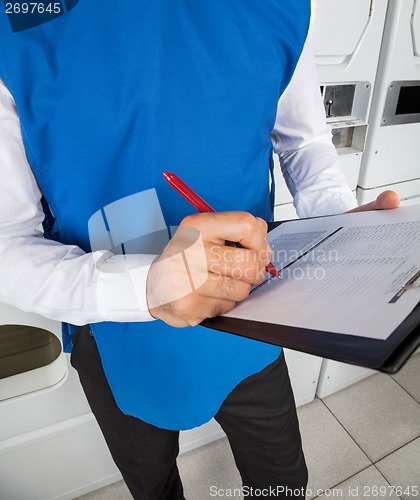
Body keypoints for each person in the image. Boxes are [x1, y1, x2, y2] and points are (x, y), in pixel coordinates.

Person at [0, 2, 399, 499]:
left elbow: (304, 144)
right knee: (153, 487)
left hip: (252, 307)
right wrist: (146, 288)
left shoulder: (283, 6)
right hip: (116, 327)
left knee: (283, 483)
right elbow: (8, 241)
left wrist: (339, 224)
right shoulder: (16, 21)